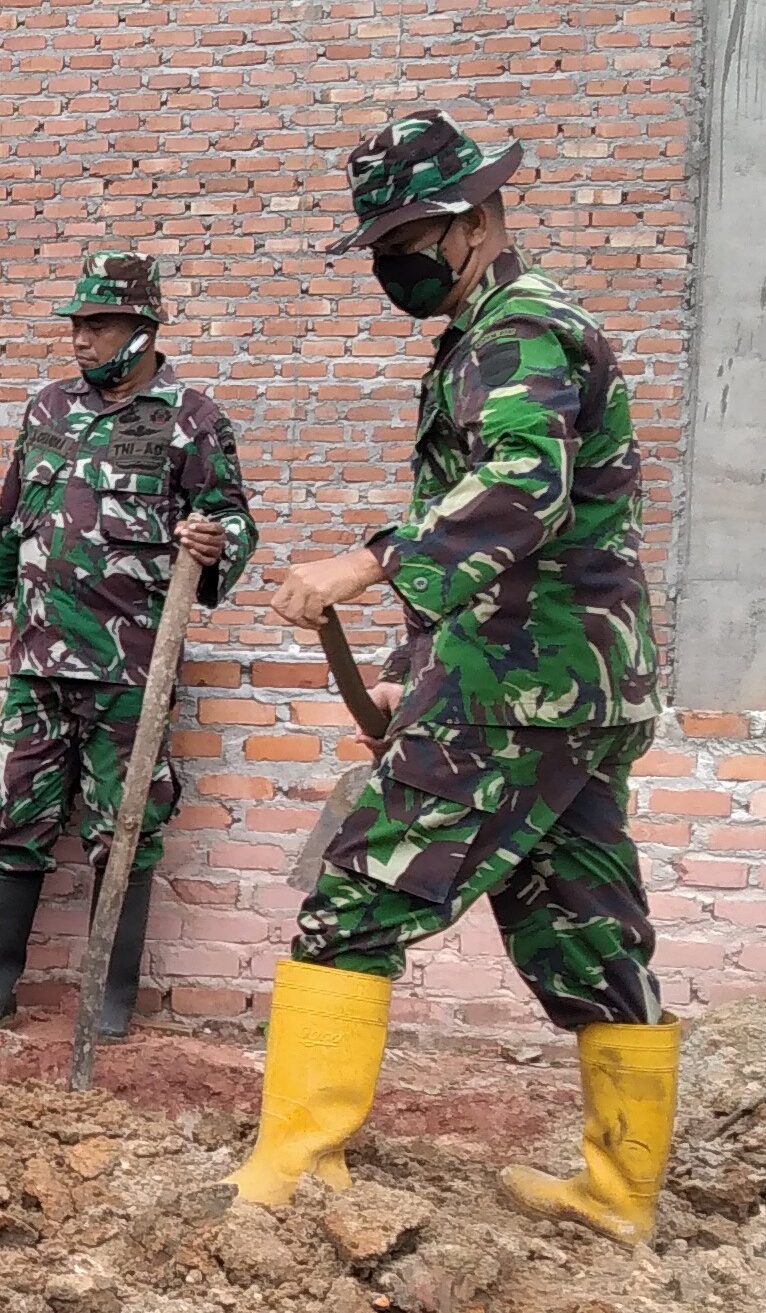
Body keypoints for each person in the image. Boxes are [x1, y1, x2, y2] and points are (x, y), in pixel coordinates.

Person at [229, 111, 674, 1241]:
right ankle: (619, 1197)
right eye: (382, 242)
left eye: (410, 237)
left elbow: (521, 494)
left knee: (355, 897)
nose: (394, 263)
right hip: (567, 688)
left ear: (478, 220)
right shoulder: (496, 330)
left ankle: (292, 1176)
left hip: (521, 688)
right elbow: (482, 536)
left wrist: (369, 565)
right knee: (585, 925)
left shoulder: (521, 331)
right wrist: (403, 673)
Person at [0, 252, 257, 1038]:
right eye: (77, 325)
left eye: (98, 325)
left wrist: (216, 541)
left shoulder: (193, 421)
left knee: (126, 827)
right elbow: (10, 526)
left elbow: (235, 521)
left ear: (143, 332)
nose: (81, 339)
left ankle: (110, 1004)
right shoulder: (46, 412)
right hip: (37, 665)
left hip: (130, 670)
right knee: (12, 818)